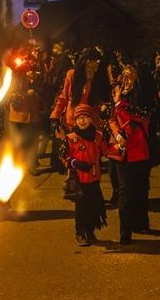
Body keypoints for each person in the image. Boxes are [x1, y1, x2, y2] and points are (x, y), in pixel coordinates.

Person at [109, 63, 153, 244]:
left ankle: (140, 222)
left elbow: (141, 116)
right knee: (125, 190)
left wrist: (120, 105)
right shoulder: (117, 92)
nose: (127, 79)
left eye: (131, 75)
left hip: (139, 147)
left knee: (141, 188)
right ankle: (125, 230)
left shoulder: (142, 97)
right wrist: (117, 134)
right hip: (121, 149)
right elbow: (111, 118)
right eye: (125, 75)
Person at [59, 104, 109, 246]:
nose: (82, 121)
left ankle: (90, 230)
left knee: (93, 206)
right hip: (79, 180)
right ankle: (80, 232)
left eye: (85, 117)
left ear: (90, 119)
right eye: (79, 118)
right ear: (75, 120)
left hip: (94, 178)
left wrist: (120, 146)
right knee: (81, 208)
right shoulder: (70, 138)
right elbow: (62, 156)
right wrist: (75, 163)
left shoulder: (98, 136)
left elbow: (106, 150)